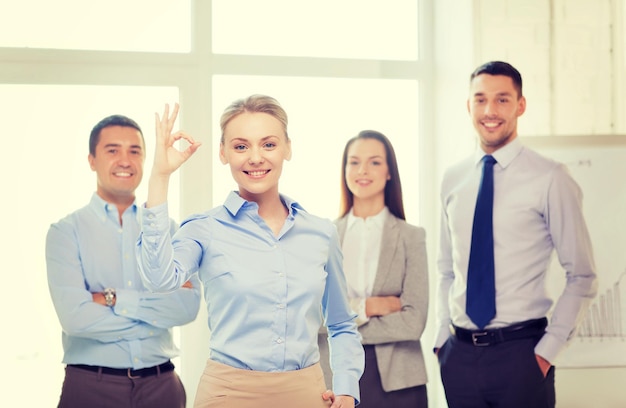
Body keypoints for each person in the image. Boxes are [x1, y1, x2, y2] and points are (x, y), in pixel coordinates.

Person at [136, 95, 365, 408]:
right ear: (223, 152)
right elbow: (157, 280)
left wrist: (347, 388)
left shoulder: (321, 233)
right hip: (228, 394)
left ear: (287, 148)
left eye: (268, 144)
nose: (255, 158)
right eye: (241, 146)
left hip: (307, 394)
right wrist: (160, 176)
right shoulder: (205, 228)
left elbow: (340, 324)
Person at [434, 60, 598, 408]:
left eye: (502, 99)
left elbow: (582, 275)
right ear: (468, 106)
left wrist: (546, 353)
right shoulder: (453, 178)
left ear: (521, 105)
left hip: (521, 357)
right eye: (480, 99)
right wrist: (440, 342)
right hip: (458, 358)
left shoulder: (551, 178)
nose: (490, 110)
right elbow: (447, 270)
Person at [46, 114, 202, 408]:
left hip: (162, 387)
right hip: (91, 387)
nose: (125, 160)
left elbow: (186, 307)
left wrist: (111, 298)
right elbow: (75, 319)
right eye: (113, 150)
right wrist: (154, 319)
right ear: (92, 160)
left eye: (135, 151)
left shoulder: (167, 230)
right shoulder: (66, 233)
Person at [318, 130, 429, 407]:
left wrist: (343, 320)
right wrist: (368, 307)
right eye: (354, 162)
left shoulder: (411, 237)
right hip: (336, 378)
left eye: (375, 162)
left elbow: (413, 323)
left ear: (390, 171)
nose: (363, 170)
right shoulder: (322, 236)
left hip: (399, 381)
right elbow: (310, 316)